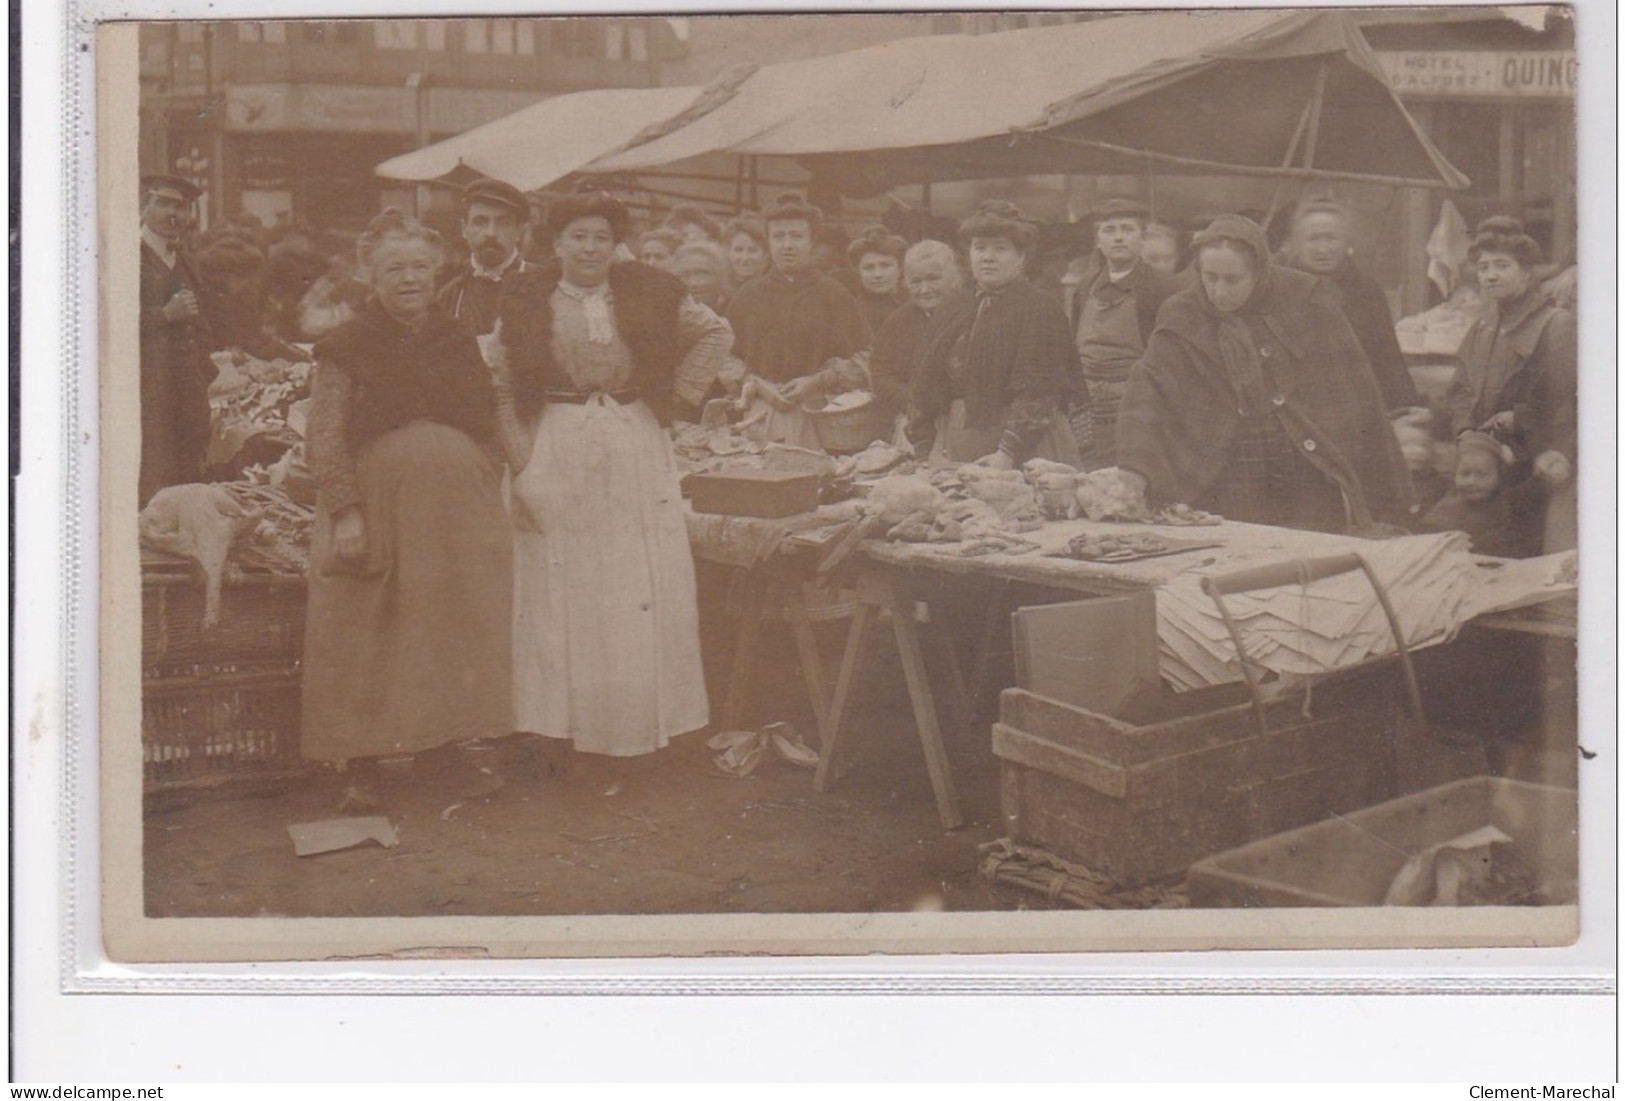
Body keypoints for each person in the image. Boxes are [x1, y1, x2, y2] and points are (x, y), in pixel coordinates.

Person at [495, 189, 730, 761]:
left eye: (602, 236)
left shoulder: (648, 289)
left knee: (634, 585)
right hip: (557, 438)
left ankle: (636, 726)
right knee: (561, 588)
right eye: (578, 236)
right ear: (556, 243)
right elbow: (499, 380)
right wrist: (522, 461)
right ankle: (560, 730)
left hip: (633, 442)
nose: (591, 247)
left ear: (615, 242)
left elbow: (717, 333)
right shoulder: (527, 296)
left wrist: (675, 397)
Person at [301, 210, 513, 776]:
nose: (409, 278)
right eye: (394, 268)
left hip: (454, 515)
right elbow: (323, 438)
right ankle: (361, 765)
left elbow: (487, 420)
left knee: (445, 625)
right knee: (368, 626)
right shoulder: (345, 345)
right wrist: (346, 513)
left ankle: (441, 746)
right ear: (371, 275)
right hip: (379, 508)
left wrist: (485, 478)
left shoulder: (456, 337)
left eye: (420, 266)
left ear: (436, 270)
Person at [1114, 214, 1412, 533]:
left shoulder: (1308, 300)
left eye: (1232, 279)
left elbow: (1355, 394)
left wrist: (1381, 490)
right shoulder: (1182, 312)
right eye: (1209, 277)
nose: (1218, 291)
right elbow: (1147, 389)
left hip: (1307, 469)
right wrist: (1135, 466)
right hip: (1224, 471)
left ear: (1259, 271)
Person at [907, 200, 1081, 468]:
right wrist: (923, 447)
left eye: (1000, 249)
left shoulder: (1040, 308)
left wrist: (1008, 453)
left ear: (1022, 258)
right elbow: (925, 382)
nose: (987, 257)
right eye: (980, 248)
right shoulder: (955, 306)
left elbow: (1041, 390)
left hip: (1029, 446)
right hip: (960, 441)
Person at [1445, 216, 1577, 553]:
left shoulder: (1555, 325)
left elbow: (1570, 404)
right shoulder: (1484, 325)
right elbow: (1460, 388)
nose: (1490, 275)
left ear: (1527, 273)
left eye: (1502, 266)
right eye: (1484, 266)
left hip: (1533, 468)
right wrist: (1464, 434)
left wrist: (1521, 418)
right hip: (1485, 468)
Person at [723, 194, 872, 449]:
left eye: (797, 236)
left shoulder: (833, 294)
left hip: (821, 415)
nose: (787, 245)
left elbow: (866, 357)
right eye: (778, 237)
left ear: (812, 242)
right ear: (769, 242)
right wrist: (758, 385)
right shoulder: (748, 295)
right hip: (762, 415)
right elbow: (723, 356)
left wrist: (819, 381)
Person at [1061, 198, 1182, 465]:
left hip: (1138, 408)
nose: (1118, 238)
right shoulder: (1084, 288)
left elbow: (1170, 362)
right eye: (1109, 230)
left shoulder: (1161, 290)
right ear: (1097, 241)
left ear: (1142, 239)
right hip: (1087, 408)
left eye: (1127, 230)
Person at [1282, 198, 1418, 411]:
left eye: (1332, 238)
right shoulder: (1278, 289)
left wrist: (1404, 409)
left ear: (1347, 243)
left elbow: (1387, 358)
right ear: (1297, 243)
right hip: (1295, 406)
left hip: (1354, 404)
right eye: (1313, 239)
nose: (1323, 248)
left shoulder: (1367, 292)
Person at [139, 173, 214, 504]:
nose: (173, 214)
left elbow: (201, 319)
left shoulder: (184, 258)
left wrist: (205, 369)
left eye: (181, 207)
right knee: (153, 476)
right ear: (145, 207)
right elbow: (107, 324)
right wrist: (165, 315)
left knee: (189, 471)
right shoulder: (129, 256)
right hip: (147, 390)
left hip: (188, 390)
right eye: (164, 204)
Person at [868, 239, 964, 437]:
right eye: (916, 281)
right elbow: (880, 371)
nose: (925, 289)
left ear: (954, 278)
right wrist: (909, 399)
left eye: (933, 279)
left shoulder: (969, 313)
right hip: (913, 419)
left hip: (961, 420)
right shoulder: (898, 320)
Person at [436, 177, 536, 337]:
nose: (491, 233)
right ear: (464, 229)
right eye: (480, 222)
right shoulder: (449, 296)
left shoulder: (543, 286)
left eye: (503, 223)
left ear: (518, 231)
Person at [1421, 430, 1542, 558]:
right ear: (1455, 474)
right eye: (1465, 474)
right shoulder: (1445, 510)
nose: (1472, 481)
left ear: (1499, 476)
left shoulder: (1509, 505)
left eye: (1481, 475)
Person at [846, 226, 910, 336]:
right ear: (858, 271)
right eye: (869, 267)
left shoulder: (915, 305)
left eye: (885, 266)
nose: (878, 274)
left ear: (900, 267)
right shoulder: (851, 313)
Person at [671, 239, 731, 313]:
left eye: (702, 274)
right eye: (685, 276)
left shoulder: (739, 312)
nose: (693, 283)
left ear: (721, 276)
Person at [720, 216, 768, 288]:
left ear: (765, 253)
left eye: (752, 250)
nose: (744, 258)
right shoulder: (717, 290)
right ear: (728, 252)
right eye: (738, 250)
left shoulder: (774, 290)